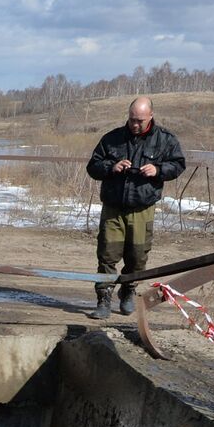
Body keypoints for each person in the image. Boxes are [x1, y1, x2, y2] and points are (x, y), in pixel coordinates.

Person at [84, 97, 185, 320]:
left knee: (137, 257)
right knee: (107, 255)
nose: (135, 124)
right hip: (113, 207)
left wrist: (158, 170)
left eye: (139, 120)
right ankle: (103, 300)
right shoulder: (112, 139)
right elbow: (93, 166)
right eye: (132, 120)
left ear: (150, 116)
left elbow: (178, 165)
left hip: (142, 207)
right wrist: (112, 167)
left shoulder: (165, 140)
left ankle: (128, 292)